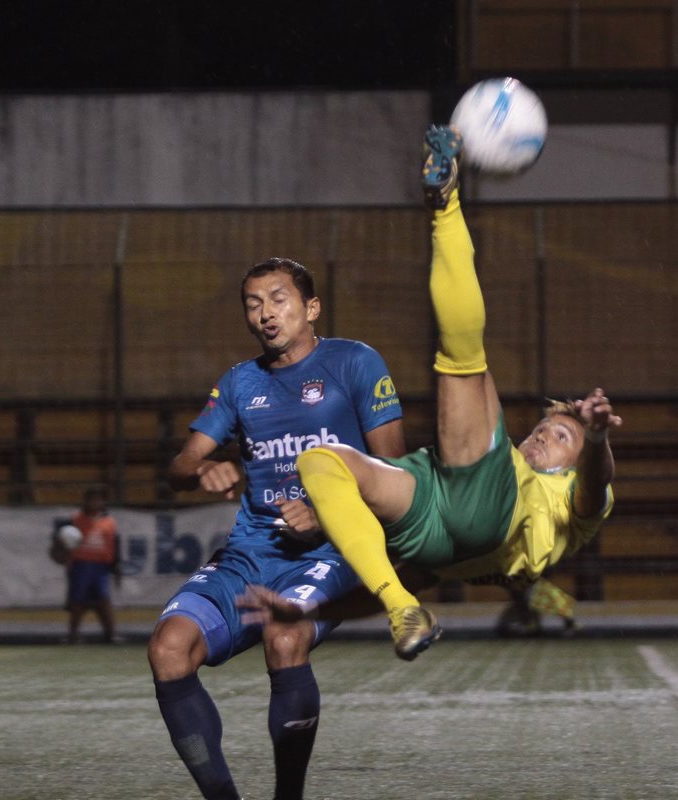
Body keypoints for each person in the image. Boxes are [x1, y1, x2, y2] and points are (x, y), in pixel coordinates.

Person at [238, 126, 619, 661]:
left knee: (465, 360)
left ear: (573, 465)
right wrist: (310, 612)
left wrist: (597, 438)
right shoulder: (503, 472)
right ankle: (405, 612)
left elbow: (597, 482)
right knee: (321, 462)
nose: (538, 440)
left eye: (558, 438)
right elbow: (406, 571)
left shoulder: (568, 505)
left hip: (489, 514)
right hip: (432, 522)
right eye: (542, 429)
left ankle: (444, 206)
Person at [146, 257, 406, 800]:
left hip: (334, 552)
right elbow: (177, 466)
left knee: (284, 637)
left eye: (279, 298)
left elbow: (396, 480)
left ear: (311, 308)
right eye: (253, 303)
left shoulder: (356, 363)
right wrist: (200, 470)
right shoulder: (240, 383)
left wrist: (328, 511)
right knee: (169, 650)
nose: (266, 313)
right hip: (250, 553)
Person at [61, 486, 121, 644]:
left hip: (101, 567)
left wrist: (116, 567)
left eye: (98, 499)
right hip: (81, 565)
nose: (94, 503)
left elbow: (114, 545)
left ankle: (111, 634)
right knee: (78, 601)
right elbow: (65, 541)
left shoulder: (109, 522)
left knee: (103, 600)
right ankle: (73, 635)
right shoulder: (76, 519)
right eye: (91, 499)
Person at [496, 577, 580, 638]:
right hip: (527, 605)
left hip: (534, 596)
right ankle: (529, 625)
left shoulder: (543, 592)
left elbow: (562, 607)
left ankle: (569, 625)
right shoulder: (519, 594)